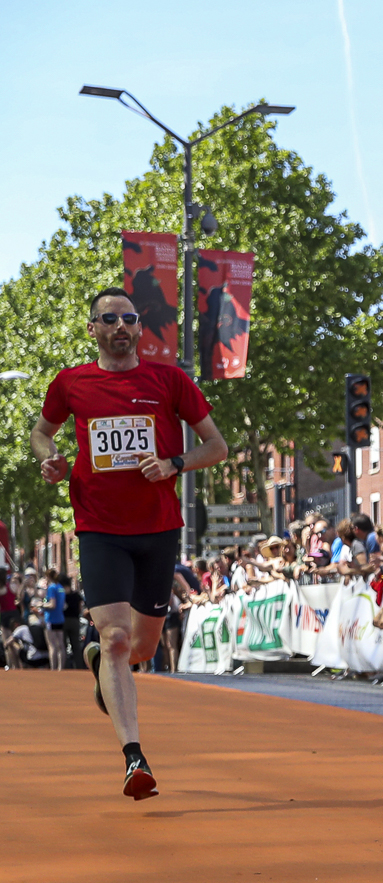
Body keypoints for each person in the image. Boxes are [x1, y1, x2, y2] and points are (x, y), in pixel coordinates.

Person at [31, 286, 228, 800]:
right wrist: (50, 459)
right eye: (109, 318)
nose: (120, 326)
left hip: (158, 529)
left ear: (140, 327)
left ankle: (99, 660)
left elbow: (217, 446)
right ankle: (134, 758)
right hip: (99, 528)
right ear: (92, 328)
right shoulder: (71, 383)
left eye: (129, 318)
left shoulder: (169, 380)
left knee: (140, 647)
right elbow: (41, 432)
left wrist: (174, 464)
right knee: (117, 638)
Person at [42, 569, 67, 671]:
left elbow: (52, 604)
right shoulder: (61, 588)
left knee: (52, 645)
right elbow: (64, 605)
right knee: (61, 644)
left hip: (51, 619)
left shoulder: (51, 588)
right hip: (60, 618)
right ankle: (61, 668)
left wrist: (42, 604)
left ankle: (53, 669)